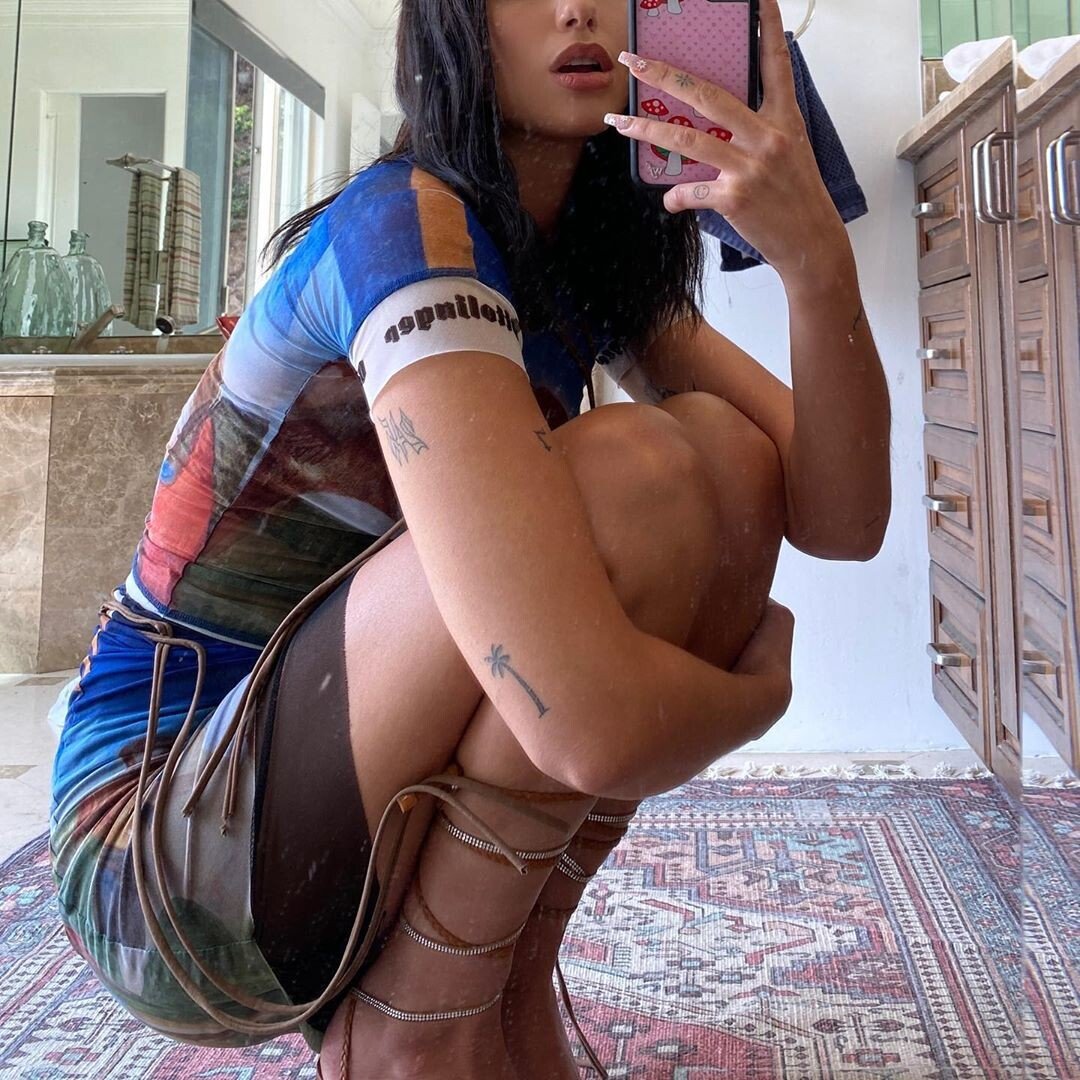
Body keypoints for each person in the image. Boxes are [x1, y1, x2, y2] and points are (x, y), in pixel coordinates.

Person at [47, 0, 891, 1075]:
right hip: (165, 852)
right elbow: (587, 727)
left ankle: (495, 972)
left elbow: (842, 517)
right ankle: (414, 1031)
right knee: (638, 473)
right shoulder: (403, 229)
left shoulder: (581, 259)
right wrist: (756, 699)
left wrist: (817, 262)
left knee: (728, 456)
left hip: (319, 790)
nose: (576, 7)